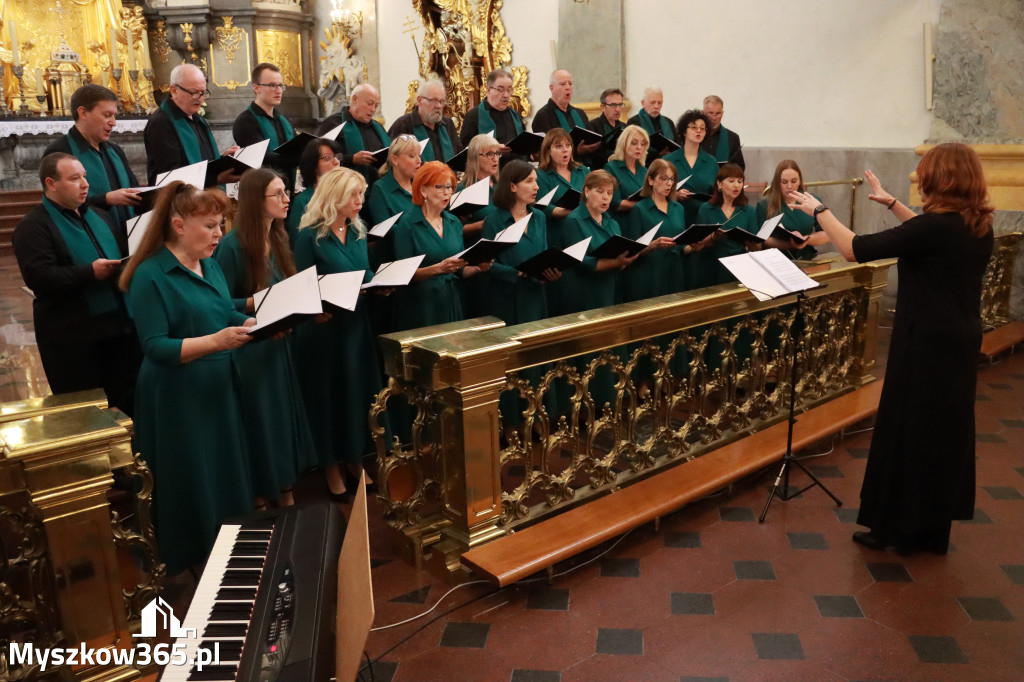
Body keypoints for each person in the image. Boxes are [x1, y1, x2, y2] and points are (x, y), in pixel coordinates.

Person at [788, 143, 994, 555]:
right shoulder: (976, 224)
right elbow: (926, 236)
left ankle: (897, 529)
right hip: (959, 339)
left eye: (925, 175)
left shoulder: (935, 228)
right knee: (942, 434)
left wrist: (819, 209)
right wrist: (895, 204)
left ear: (943, 180)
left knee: (910, 431)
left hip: (926, 341)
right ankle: (930, 532)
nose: (920, 181)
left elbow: (853, 249)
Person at [119, 181, 253, 575]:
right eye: (210, 226)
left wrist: (249, 322)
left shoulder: (208, 263)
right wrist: (217, 340)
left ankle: (224, 542)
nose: (218, 234)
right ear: (178, 225)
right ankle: (189, 554)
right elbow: (157, 347)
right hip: (176, 393)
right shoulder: (150, 275)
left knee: (221, 465)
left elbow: (219, 310)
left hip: (216, 384)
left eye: (220, 225)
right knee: (189, 472)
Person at [213, 169, 314, 509]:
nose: (288, 200)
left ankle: (283, 487)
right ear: (257, 201)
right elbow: (216, 303)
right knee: (261, 422)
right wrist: (253, 302)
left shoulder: (280, 237)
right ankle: (259, 495)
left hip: (278, 344)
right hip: (251, 351)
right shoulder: (232, 245)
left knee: (281, 419)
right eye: (278, 194)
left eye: (287, 192)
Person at [13, 153, 140, 415]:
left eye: (84, 176)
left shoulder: (97, 216)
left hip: (117, 328)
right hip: (75, 338)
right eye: (74, 178)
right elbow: (39, 278)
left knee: (125, 403)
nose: (85, 184)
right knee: (87, 412)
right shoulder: (33, 226)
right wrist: (89, 273)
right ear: (51, 183)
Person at [292, 167, 388, 500]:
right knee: (329, 397)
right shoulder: (310, 236)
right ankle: (330, 466)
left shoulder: (357, 230)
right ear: (334, 196)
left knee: (355, 394)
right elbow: (300, 286)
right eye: (353, 194)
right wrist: (314, 307)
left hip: (355, 325)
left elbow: (365, 272)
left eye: (362, 193)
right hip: (325, 328)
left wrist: (380, 284)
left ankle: (354, 459)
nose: (360, 201)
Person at [478, 160, 559, 436]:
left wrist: (550, 272)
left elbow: (543, 253)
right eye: (529, 182)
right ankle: (511, 421)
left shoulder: (539, 218)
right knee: (511, 363)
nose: (536, 187)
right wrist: (518, 273)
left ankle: (537, 415)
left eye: (536, 181)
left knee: (536, 359)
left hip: (535, 295)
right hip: (507, 298)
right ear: (512, 186)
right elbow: (486, 264)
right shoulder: (494, 219)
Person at [390, 161, 491, 330]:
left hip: (451, 299)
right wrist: (438, 269)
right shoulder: (408, 224)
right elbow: (403, 275)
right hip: (422, 304)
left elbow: (459, 269)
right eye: (440, 187)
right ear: (423, 190)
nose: (447, 193)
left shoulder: (453, 222)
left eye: (450, 187)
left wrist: (478, 268)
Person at [44, 84, 140, 229]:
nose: (113, 122)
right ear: (83, 113)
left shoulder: (115, 150)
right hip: (91, 237)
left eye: (114, 115)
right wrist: (106, 199)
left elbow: (134, 188)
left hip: (130, 234)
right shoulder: (60, 152)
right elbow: (60, 205)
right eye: (107, 115)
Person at [143, 64, 241, 185]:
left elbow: (201, 161)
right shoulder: (161, 124)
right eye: (194, 92)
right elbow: (170, 176)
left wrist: (223, 160)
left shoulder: (197, 118)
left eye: (203, 92)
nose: (200, 98)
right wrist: (215, 179)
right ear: (174, 90)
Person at [623, 158, 705, 301]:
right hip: (650, 274)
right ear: (651, 180)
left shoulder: (678, 208)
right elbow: (633, 251)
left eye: (672, 179)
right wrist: (654, 245)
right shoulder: (639, 209)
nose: (669, 183)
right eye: (664, 178)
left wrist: (693, 247)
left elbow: (680, 245)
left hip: (674, 270)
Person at [695, 163, 758, 288]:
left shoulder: (749, 210)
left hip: (740, 267)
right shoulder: (706, 209)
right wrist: (713, 236)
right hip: (712, 265)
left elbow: (756, 244)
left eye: (740, 181)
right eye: (731, 181)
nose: (736, 185)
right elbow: (698, 244)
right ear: (719, 184)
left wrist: (748, 244)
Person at [231, 63, 297, 179]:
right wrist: (300, 157)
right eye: (273, 85)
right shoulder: (245, 122)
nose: (279, 91)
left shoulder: (284, 120)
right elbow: (263, 158)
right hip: (262, 190)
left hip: (290, 189)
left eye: (281, 85)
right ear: (257, 88)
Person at [756, 160, 832, 259]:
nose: (789, 186)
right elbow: (763, 239)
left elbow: (826, 234)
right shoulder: (765, 204)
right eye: (784, 182)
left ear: (800, 181)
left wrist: (805, 240)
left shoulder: (812, 201)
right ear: (777, 182)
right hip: (776, 258)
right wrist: (790, 244)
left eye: (794, 181)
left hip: (807, 257)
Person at [316, 83, 389, 186]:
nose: (373, 109)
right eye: (369, 103)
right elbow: (320, 158)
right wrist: (352, 159)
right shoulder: (333, 124)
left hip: (378, 188)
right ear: (354, 100)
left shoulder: (378, 127)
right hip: (344, 188)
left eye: (376, 105)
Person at [535, 128, 590, 252]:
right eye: (558, 146)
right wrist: (578, 211)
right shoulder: (541, 175)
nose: (565, 149)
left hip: (584, 230)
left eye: (568, 145)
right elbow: (544, 207)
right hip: (558, 233)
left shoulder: (583, 171)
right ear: (548, 151)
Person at [387, 78, 462, 164]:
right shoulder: (403, 125)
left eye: (441, 101)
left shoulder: (447, 124)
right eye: (434, 101)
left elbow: (458, 155)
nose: (438, 106)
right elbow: (393, 161)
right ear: (419, 100)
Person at [665, 109, 719, 226]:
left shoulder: (711, 162)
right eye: (694, 127)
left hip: (703, 218)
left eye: (702, 128)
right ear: (684, 131)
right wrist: (676, 195)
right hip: (675, 216)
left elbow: (717, 192)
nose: (698, 131)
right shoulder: (669, 160)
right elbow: (657, 191)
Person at [531, 70, 602, 160]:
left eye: (570, 83)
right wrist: (576, 151)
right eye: (562, 84)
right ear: (552, 88)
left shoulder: (580, 113)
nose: (568, 87)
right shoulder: (543, 116)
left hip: (585, 166)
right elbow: (545, 150)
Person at [286, 137, 342, 244]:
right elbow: (299, 243)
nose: (336, 162)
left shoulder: (346, 194)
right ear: (313, 165)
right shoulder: (304, 201)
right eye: (327, 158)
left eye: (336, 156)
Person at [459, 69, 526, 156]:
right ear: (488, 90)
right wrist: (491, 148)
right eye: (500, 90)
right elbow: (465, 150)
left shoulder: (516, 116)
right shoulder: (474, 116)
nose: (506, 95)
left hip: (517, 167)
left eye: (509, 90)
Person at [366, 134, 421, 227]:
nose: (419, 160)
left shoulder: (422, 183)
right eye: (412, 156)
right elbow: (385, 230)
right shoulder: (380, 188)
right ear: (395, 159)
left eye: (419, 155)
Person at [604, 124, 649, 215]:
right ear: (624, 144)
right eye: (634, 143)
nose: (639, 147)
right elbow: (615, 204)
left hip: (642, 218)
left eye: (643, 144)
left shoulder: (644, 170)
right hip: (623, 220)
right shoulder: (611, 168)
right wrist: (645, 204)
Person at [626, 86, 676, 157]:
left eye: (659, 103)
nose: (656, 106)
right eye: (652, 102)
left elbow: (677, 144)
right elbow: (630, 148)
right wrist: (657, 154)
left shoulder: (669, 122)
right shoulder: (634, 122)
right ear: (643, 103)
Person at [585, 88, 627, 170]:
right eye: (613, 105)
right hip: (602, 170)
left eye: (620, 105)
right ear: (603, 107)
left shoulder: (624, 126)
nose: (618, 109)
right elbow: (594, 155)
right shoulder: (592, 126)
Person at [701, 95, 744, 169]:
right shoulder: (695, 135)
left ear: (722, 113)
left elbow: (739, 167)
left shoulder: (732, 138)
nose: (714, 118)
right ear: (702, 113)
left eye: (718, 113)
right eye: (711, 113)